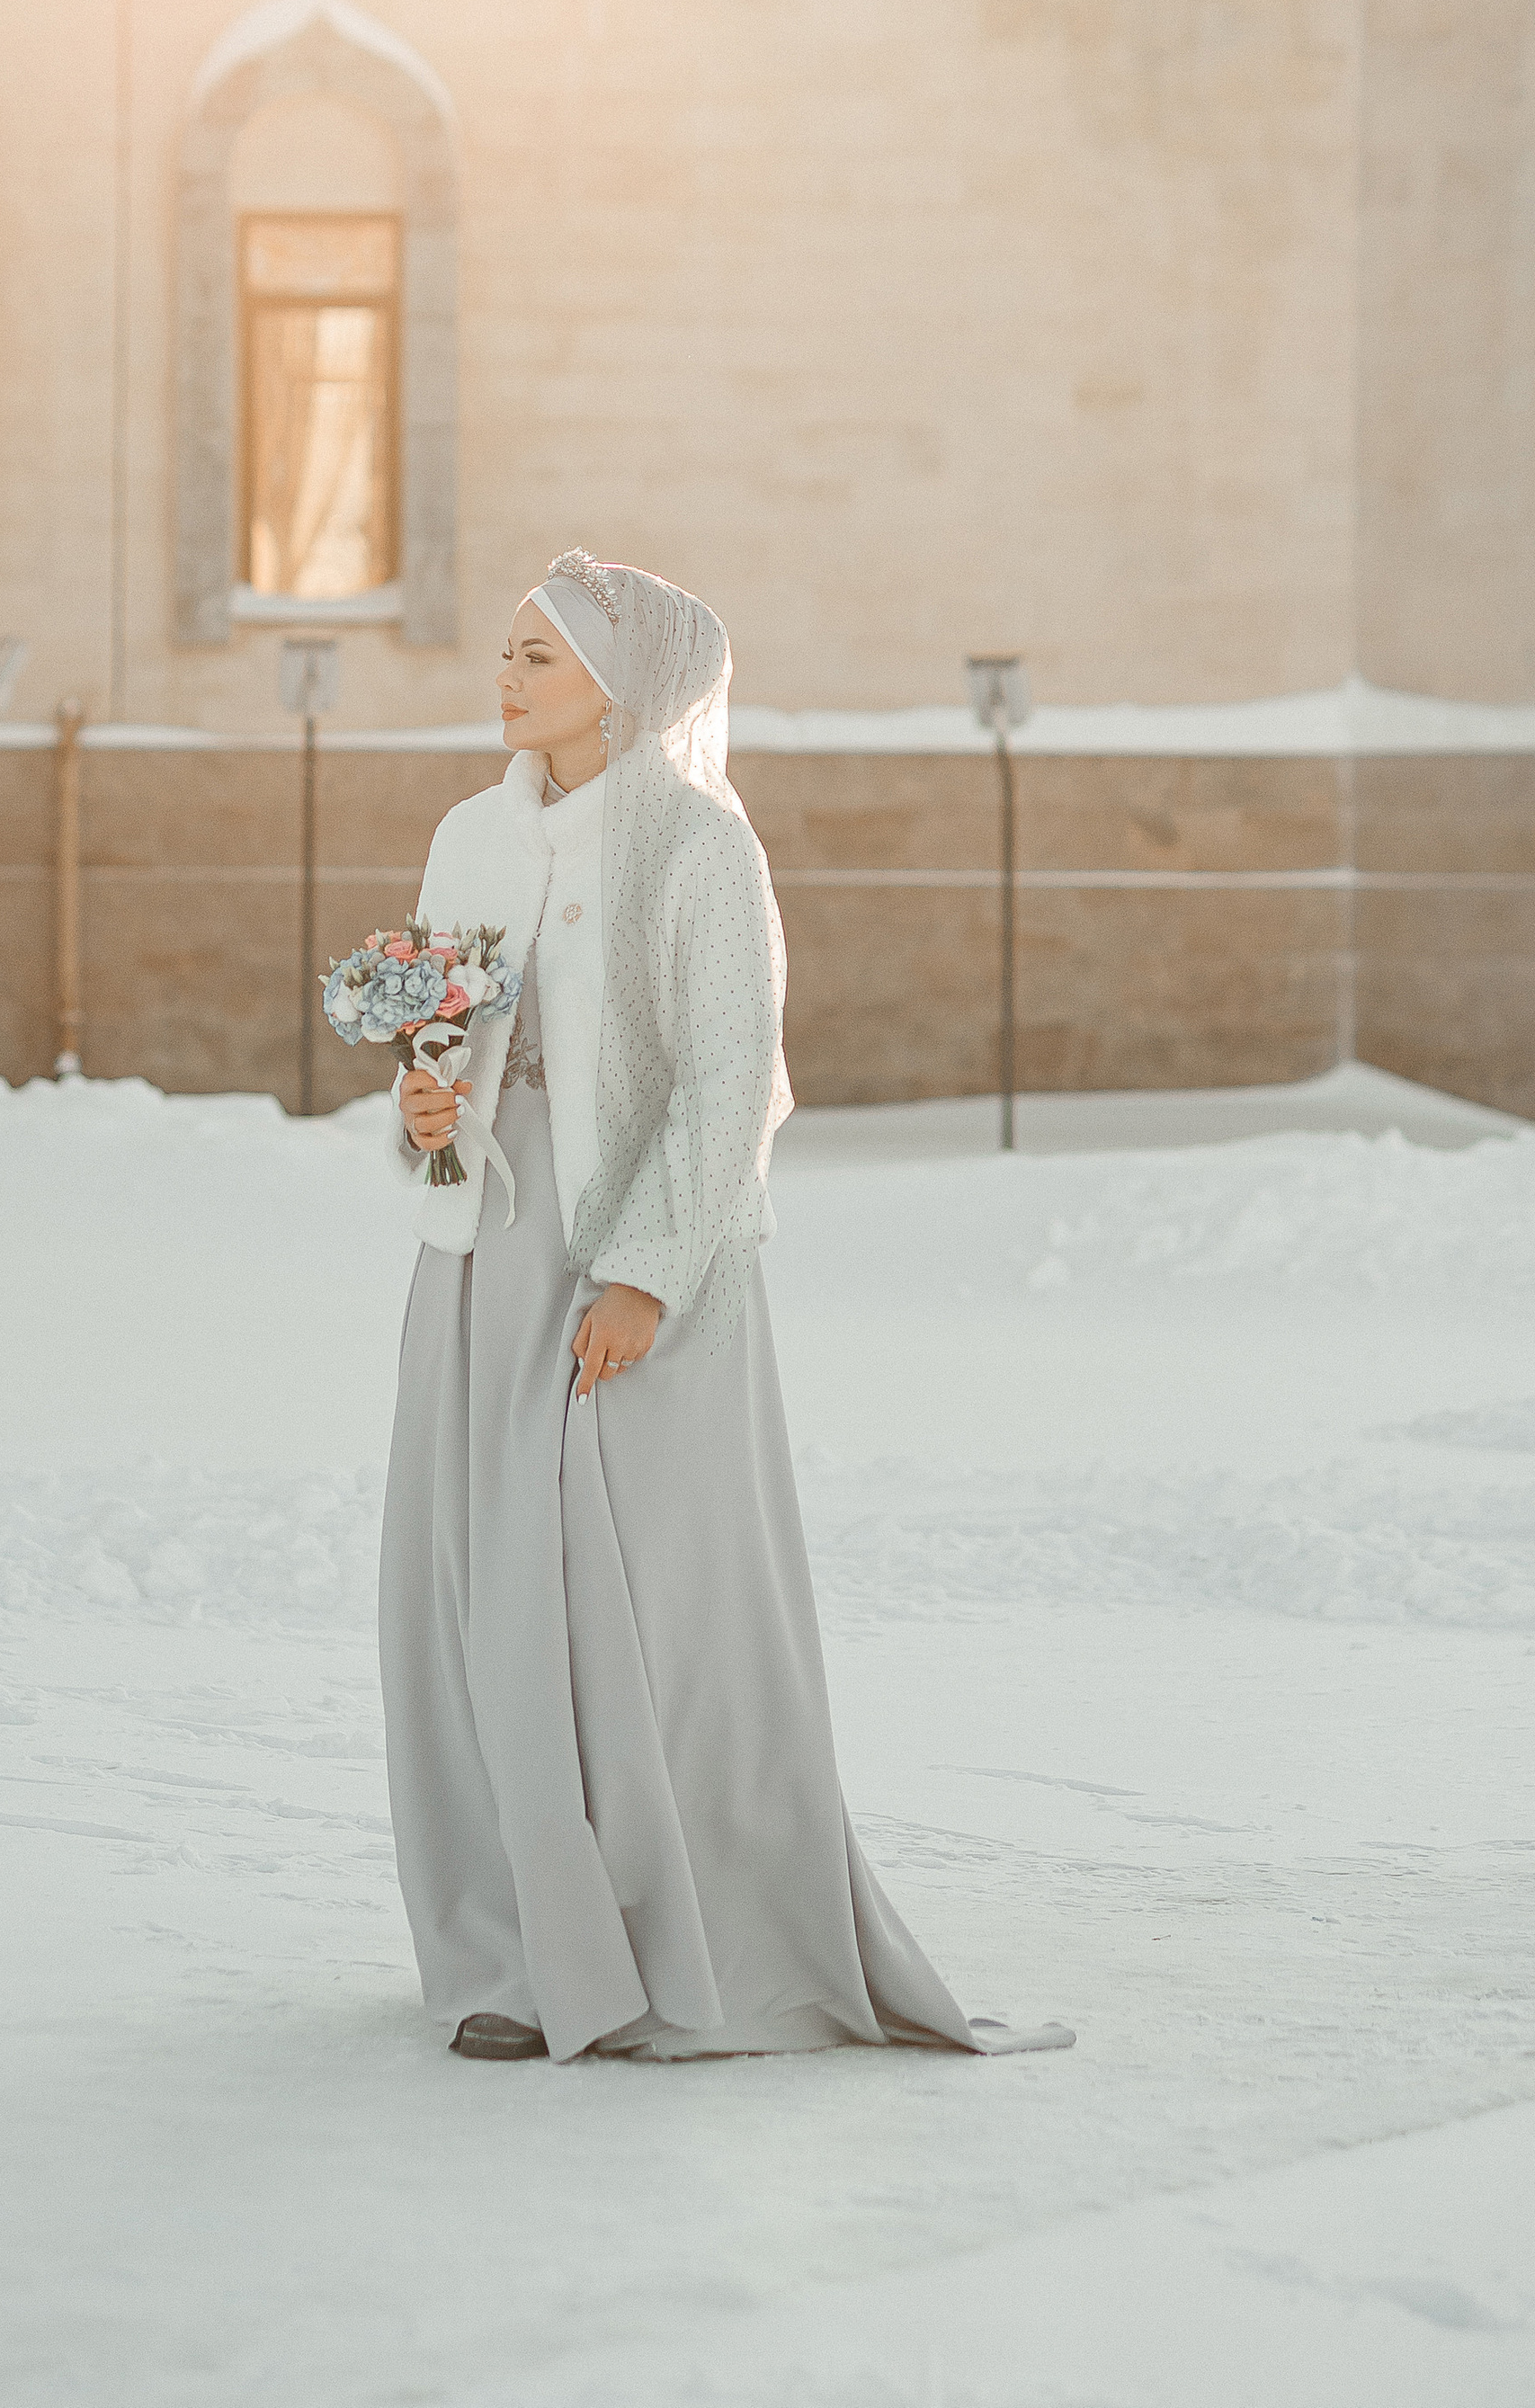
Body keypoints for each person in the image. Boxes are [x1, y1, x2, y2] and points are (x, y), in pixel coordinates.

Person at [378, 548, 1072, 2065]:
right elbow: (441, 1036)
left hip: (637, 1264)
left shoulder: (696, 848)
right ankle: (512, 1951)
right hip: (485, 1253)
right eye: (505, 650)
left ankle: (671, 1942)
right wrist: (425, 1106)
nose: (505, 677)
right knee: (479, 1593)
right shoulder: (467, 837)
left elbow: (728, 1079)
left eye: (540, 657)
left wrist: (642, 1271)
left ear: (632, 687)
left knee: (640, 1610)